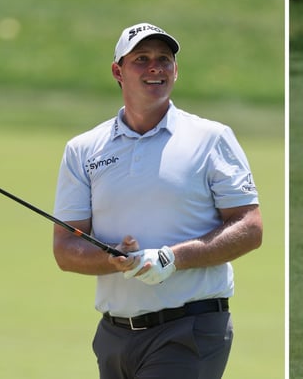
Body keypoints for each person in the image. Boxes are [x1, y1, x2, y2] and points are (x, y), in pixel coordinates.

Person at [52, 22, 263, 379]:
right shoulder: (83, 149)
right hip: (113, 336)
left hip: (190, 330)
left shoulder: (211, 138)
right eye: (141, 59)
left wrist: (171, 259)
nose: (155, 67)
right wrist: (113, 258)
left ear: (176, 71)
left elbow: (250, 227)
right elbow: (65, 248)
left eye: (164, 59)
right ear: (118, 71)